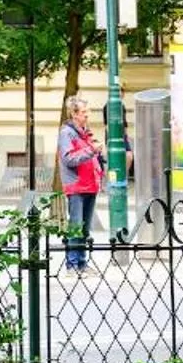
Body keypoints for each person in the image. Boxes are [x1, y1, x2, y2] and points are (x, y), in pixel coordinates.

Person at [56, 96, 105, 272]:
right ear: (74, 114)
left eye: (87, 111)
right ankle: (72, 263)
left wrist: (100, 158)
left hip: (90, 184)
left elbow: (91, 157)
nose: (87, 115)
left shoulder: (86, 132)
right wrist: (91, 150)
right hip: (76, 185)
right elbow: (68, 159)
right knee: (76, 225)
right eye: (84, 112)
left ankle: (82, 262)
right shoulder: (66, 133)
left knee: (85, 227)